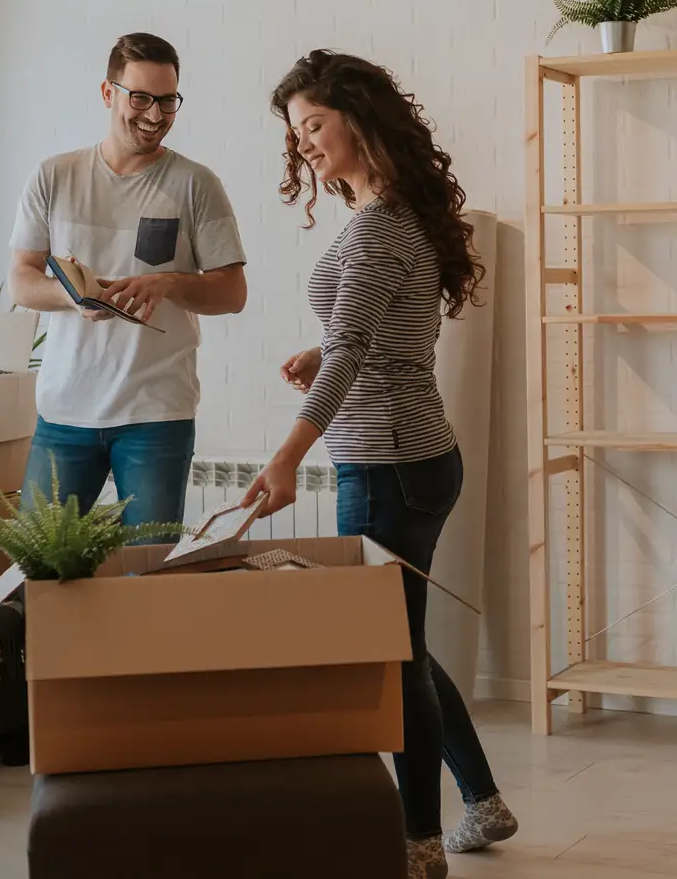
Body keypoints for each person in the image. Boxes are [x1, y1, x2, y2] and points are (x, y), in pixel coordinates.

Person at [241, 50, 517, 879]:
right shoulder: (393, 218)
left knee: (385, 651)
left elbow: (360, 344)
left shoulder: (381, 225)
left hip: (388, 461)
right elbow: (374, 334)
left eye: (314, 126)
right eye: (297, 133)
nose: (306, 146)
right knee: (403, 643)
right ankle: (483, 803)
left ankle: (418, 843)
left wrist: (288, 456)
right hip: (408, 453)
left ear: (357, 119)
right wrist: (316, 349)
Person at [7, 32, 246, 534]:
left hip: (156, 414)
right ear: (107, 92)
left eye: (167, 101)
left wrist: (169, 283)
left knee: (147, 574)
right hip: (65, 412)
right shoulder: (55, 176)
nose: (155, 115)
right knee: (38, 565)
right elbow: (22, 282)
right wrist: (75, 298)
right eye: (140, 98)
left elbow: (231, 293)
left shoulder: (196, 184)